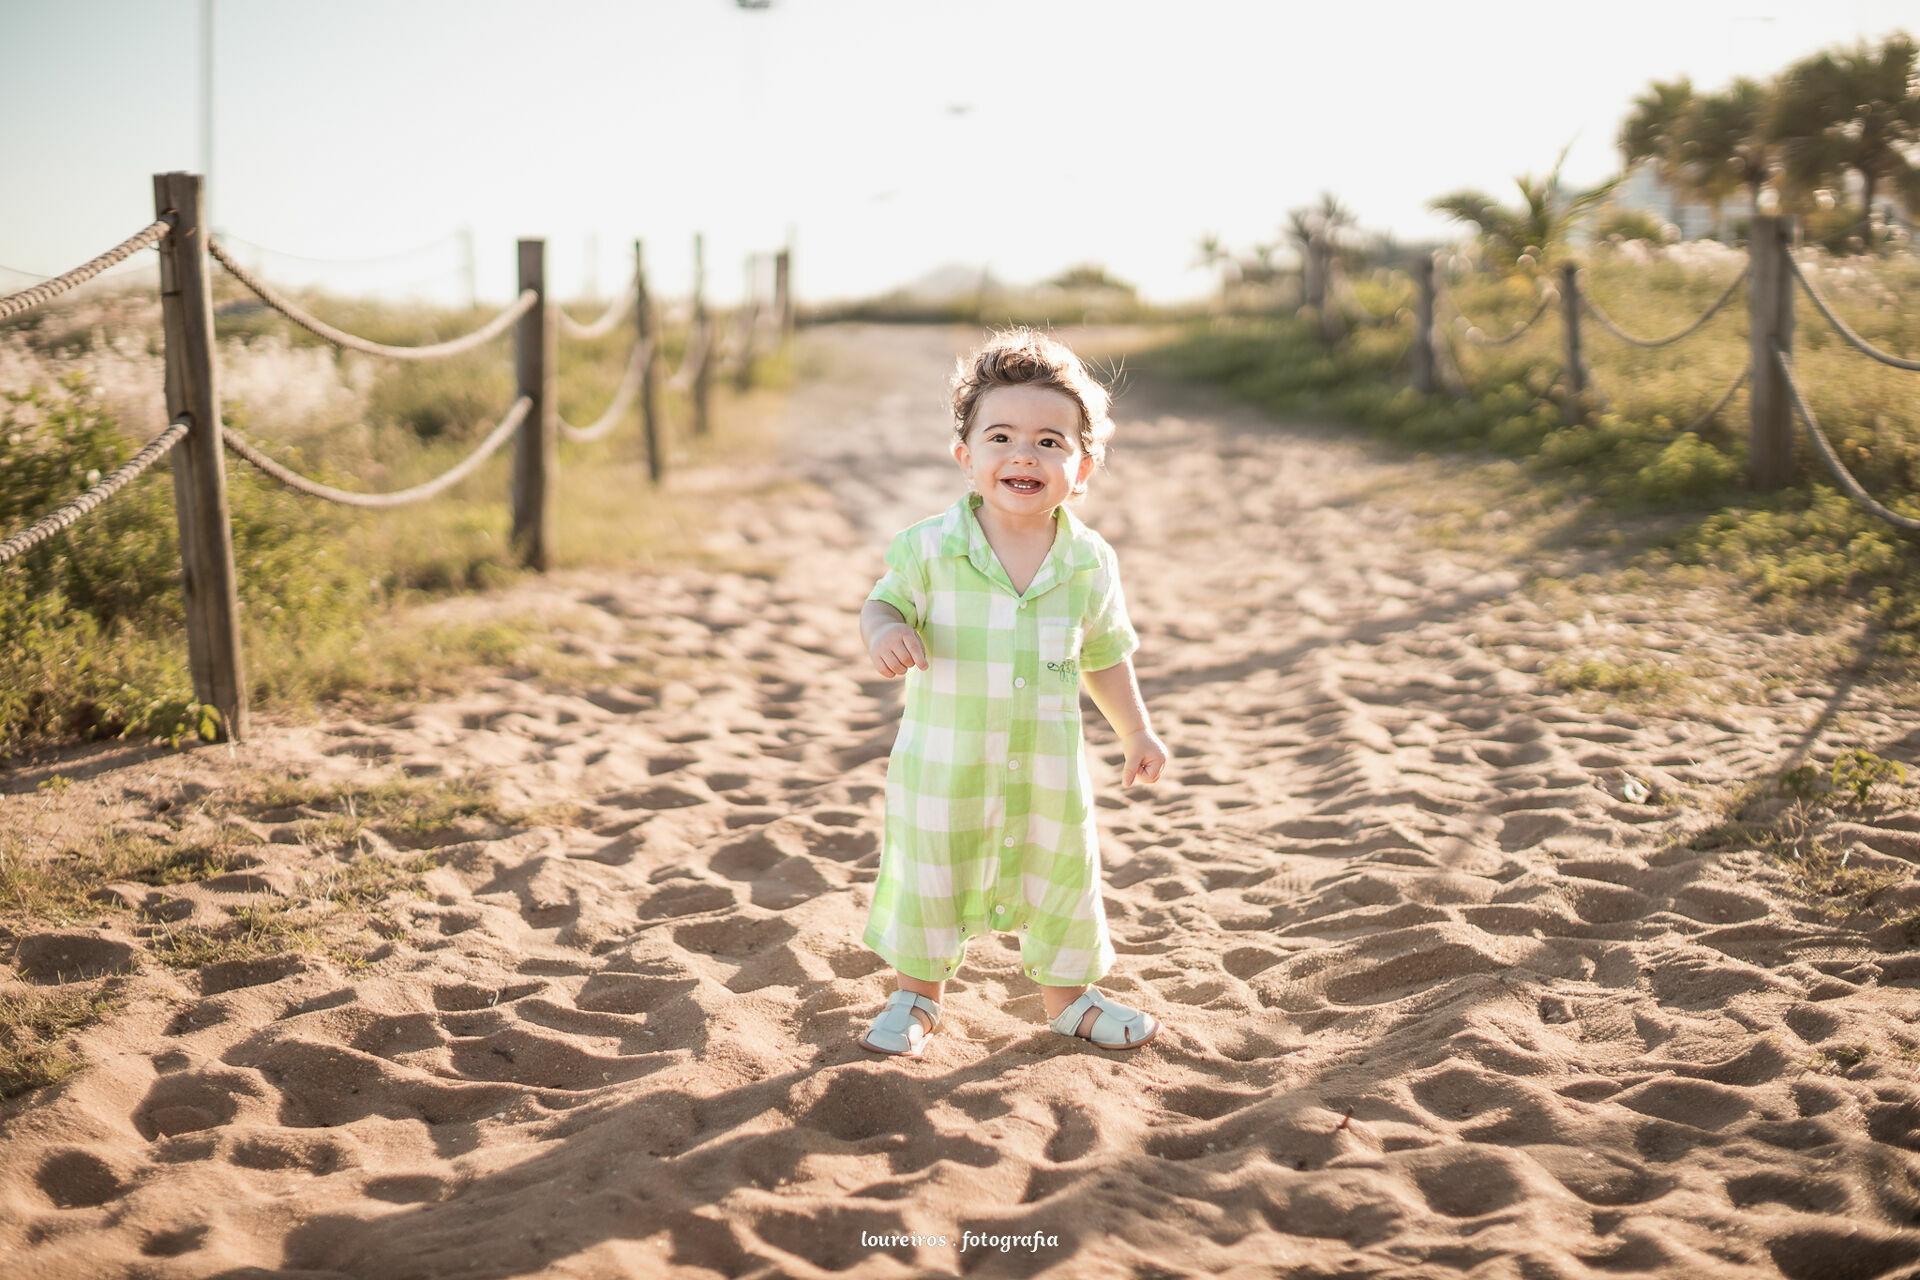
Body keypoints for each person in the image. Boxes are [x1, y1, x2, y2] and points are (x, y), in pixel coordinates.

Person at [856, 328, 1168, 1060]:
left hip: (1047, 770)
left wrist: (1136, 732)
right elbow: (882, 601)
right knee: (931, 876)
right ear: (966, 456)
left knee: (1063, 876)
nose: (1024, 455)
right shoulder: (928, 547)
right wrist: (885, 631)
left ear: (1081, 468)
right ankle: (916, 997)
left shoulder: (1089, 561)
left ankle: (1071, 1001)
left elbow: (1105, 654)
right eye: (1000, 437)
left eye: (1049, 442)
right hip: (946, 767)